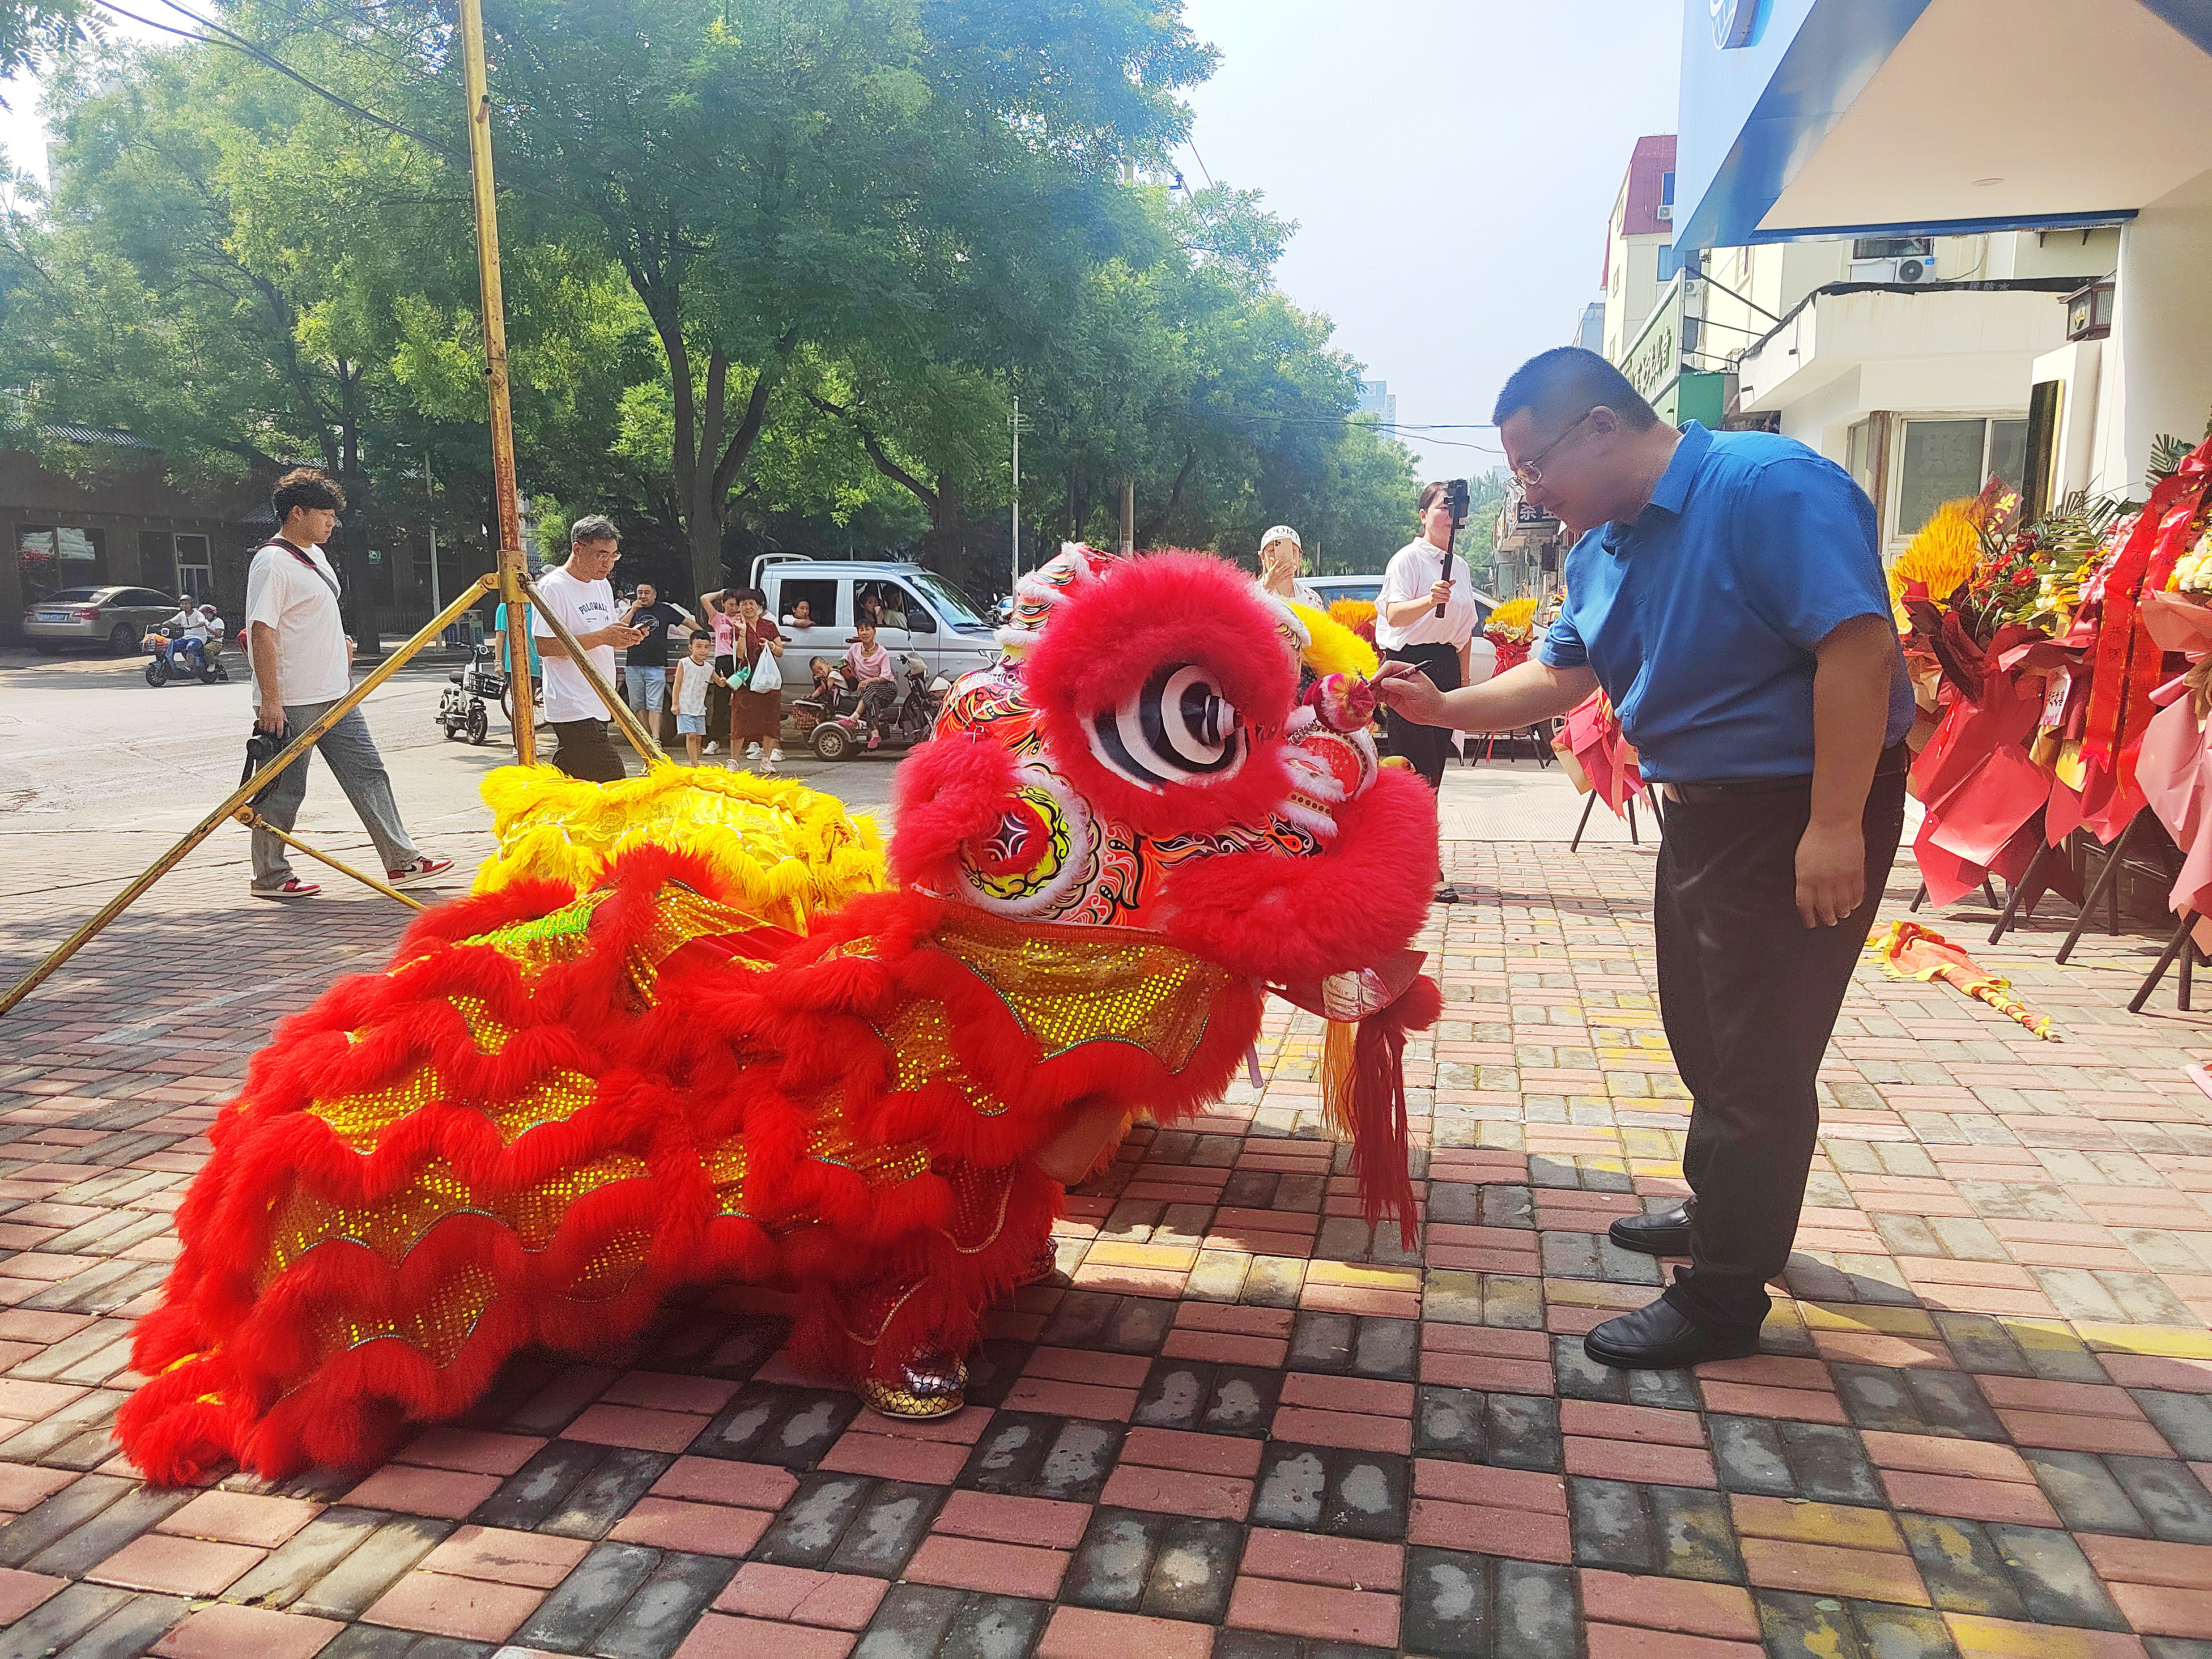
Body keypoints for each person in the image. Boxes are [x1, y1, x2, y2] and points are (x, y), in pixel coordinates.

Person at [1374, 346, 1912, 1370]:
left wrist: (1834, 825)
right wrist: (1441, 707)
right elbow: (1558, 672)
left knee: (1758, 1052)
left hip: (1797, 803)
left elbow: (1854, 646)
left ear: (1601, 428)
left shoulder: (1763, 485)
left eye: (1533, 466)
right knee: (1702, 1030)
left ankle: (1720, 1295)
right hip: (1702, 810)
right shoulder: (1602, 547)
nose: (1528, 490)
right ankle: (1727, 1216)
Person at [245, 468, 452, 899]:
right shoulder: (271, 561)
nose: (331, 523)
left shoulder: (316, 556)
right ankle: (269, 877)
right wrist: (270, 701)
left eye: (334, 515)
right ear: (296, 512)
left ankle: (402, 860)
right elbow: (261, 630)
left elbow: (309, 616)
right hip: (294, 697)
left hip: (336, 691)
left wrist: (341, 644)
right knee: (284, 789)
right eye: (324, 514)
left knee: (368, 772)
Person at [1375, 480, 1482, 903]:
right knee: (1414, 770)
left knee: (1434, 772)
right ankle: (1416, 865)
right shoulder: (1408, 560)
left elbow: (1465, 631)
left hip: (1444, 667)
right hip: (1411, 665)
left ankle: (1419, 859)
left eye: (1456, 508)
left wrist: (1465, 681)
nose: (1450, 515)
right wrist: (1428, 600)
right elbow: (1393, 613)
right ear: (1424, 515)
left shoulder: (1462, 566)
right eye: (1442, 507)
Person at [533, 515, 646, 783]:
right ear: (577, 549)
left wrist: (624, 637)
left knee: (574, 776)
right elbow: (545, 645)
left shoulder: (603, 585)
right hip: (571, 699)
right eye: (601, 554)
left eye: (613, 555)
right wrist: (603, 636)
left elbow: (603, 634)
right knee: (611, 775)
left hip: (600, 696)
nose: (607, 563)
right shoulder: (553, 587)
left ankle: (548, 814)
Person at [619, 580, 694, 746]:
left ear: (654, 594)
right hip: (633, 666)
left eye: (647, 593)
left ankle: (656, 739)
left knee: (655, 705)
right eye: (640, 593)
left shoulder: (664, 610)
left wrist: (701, 636)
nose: (643, 596)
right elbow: (620, 627)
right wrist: (632, 610)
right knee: (638, 705)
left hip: (657, 666)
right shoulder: (632, 611)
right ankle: (645, 739)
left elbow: (686, 622)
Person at [727, 588, 786, 772]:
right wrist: (743, 633)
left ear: (759, 606)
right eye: (743, 603)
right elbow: (739, 655)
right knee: (739, 721)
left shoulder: (769, 626)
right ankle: (734, 761)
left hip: (768, 682)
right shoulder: (736, 628)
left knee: (770, 721)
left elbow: (780, 651)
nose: (747, 607)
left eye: (751, 603)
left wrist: (770, 645)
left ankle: (767, 760)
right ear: (739, 607)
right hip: (746, 682)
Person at [844, 622, 897, 749]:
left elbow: (885, 676)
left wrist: (869, 680)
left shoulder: (882, 652)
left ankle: (854, 718)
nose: (864, 633)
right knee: (872, 701)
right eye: (861, 630)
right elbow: (845, 662)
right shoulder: (855, 649)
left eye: (867, 629)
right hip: (868, 692)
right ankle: (875, 733)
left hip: (887, 688)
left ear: (874, 632)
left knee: (871, 688)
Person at [671, 632, 717, 766]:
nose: (703, 650)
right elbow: (677, 684)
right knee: (691, 735)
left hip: (700, 708)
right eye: (699, 646)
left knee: (698, 737)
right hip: (685, 706)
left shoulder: (709, 667)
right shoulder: (684, 663)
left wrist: (724, 680)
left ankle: (695, 760)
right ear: (691, 647)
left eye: (706, 647)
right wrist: (675, 704)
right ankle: (695, 762)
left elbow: (719, 681)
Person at [1257, 525, 1322, 610]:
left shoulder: (1312, 599)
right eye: (1273, 550)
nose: (1282, 557)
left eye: (1292, 550)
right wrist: (1268, 587)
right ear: (1263, 557)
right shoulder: (1249, 595)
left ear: (1300, 556)